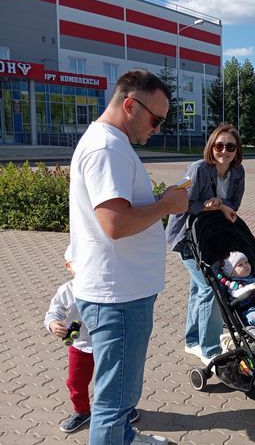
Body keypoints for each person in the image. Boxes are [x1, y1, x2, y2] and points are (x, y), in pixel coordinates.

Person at [69, 69, 188, 445]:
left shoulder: (109, 143)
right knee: (113, 402)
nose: (157, 129)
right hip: (117, 297)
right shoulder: (108, 148)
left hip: (119, 291)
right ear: (130, 105)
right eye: (156, 120)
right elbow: (115, 224)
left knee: (120, 395)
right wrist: (166, 205)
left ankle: (123, 437)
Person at [165, 124, 245, 367]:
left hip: (211, 237)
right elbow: (182, 201)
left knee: (197, 288)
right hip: (187, 237)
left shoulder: (238, 172)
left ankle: (192, 340)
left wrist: (220, 202)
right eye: (219, 145)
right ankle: (209, 348)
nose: (224, 151)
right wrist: (214, 206)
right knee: (210, 287)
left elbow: (235, 203)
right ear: (211, 147)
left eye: (230, 146)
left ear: (236, 150)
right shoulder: (199, 169)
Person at [44, 245, 140, 433]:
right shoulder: (66, 290)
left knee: (115, 380)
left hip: (109, 342)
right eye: (78, 265)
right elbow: (53, 312)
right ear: (68, 267)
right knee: (75, 382)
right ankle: (81, 411)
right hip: (79, 341)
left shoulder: (107, 285)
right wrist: (53, 324)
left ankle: (122, 410)